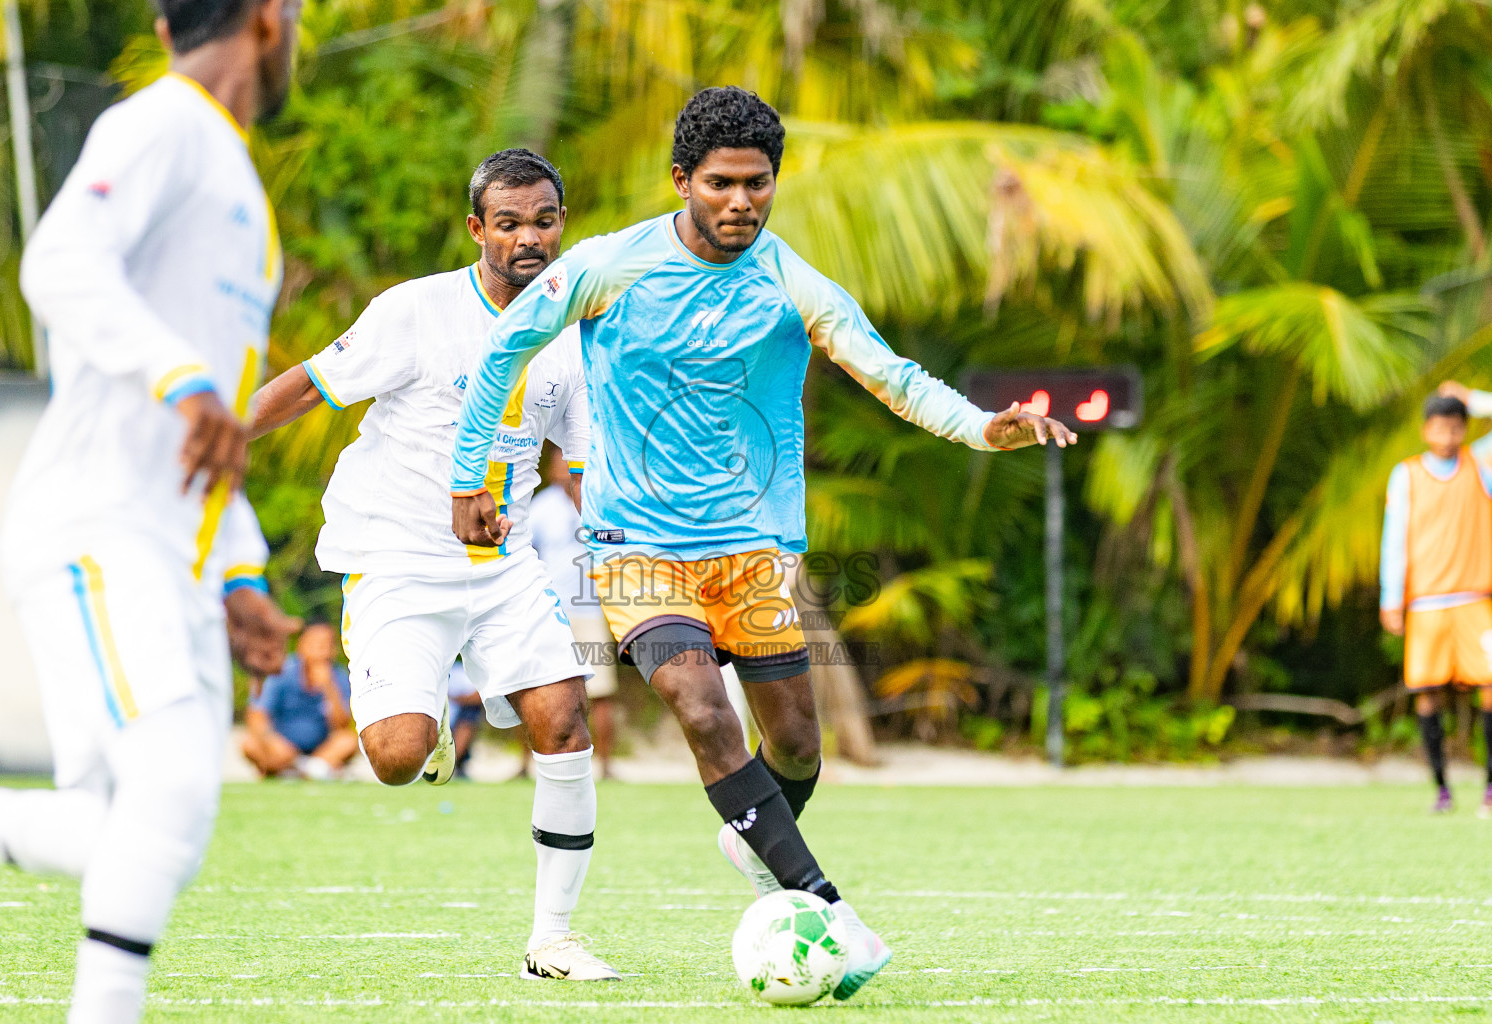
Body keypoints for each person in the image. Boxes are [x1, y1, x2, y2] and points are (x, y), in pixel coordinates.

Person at [449, 87, 1076, 999]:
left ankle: (753, 833)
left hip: (753, 554)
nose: (742, 201)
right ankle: (828, 908)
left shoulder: (793, 281)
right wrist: (471, 478)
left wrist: (985, 428)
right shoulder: (606, 267)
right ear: (681, 182)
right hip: (634, 548)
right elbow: (507, 348)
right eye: (721, 184)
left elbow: (892, 376)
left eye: (758, 183)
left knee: (797, 750)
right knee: (704, 712)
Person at [0, 0, 301, 1019]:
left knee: (143, 829)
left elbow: (219, 431)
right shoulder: (164, 122)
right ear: (270, 19)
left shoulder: (238, 181)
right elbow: (58, 264)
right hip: (99, 527)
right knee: (172, 787)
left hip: (177, 555)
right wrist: (183, 377)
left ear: (160, 26)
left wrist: (238, 569)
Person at [248, 148, 616, 981]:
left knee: (564, 721)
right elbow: (311, 385)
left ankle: (552, 939)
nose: (530, 237)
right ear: (477, 228)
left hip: (506, 560)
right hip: (396, 557)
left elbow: (591, 464)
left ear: (563, 223)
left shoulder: (576, 333)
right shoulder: (415, 311)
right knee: (396, 757)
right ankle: (425, 725)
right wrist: (217, 447)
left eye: (545, 220)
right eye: (511, 222)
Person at [1383, 386, 1492, 815]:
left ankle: (1490, 785)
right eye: (1440, 426)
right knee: (1427, 694)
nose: (1448, 435)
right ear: (1425, 429)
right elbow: (1394, 539)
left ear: (1465, 429)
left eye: (1456, 426)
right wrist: (1392, 597)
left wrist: (1475, 398)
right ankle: (1442, 788)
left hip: (1473, 599)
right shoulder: (1406, 474)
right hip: (1426, 603)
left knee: (1490, 686)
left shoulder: (1481, 467)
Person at [529, 454, 619, 779]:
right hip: (551, 610)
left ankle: (606, 766)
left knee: (602, 691)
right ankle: (527, 764)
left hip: (592, 609)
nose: (565, 470)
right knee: (533, 684)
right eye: (560, 463)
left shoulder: (600, 503)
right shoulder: (541, 506)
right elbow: (527, 551)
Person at [242, 622, 356, 779]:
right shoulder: (281, 672)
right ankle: (307, 770)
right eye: (314, 644)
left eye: (325, 645)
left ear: (334, 650)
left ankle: (299, 770)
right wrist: (273, 741)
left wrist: (329, 689)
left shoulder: (340, 677)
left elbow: (342, 726)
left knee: (348, 741)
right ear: (301, 645)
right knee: (250, 744)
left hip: (321, 751)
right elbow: (257, 716)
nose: (320, 650)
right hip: (282, 746)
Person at [446, 657, 484, 779]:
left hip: (454, 721)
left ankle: (450, 766)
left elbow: (478, 696)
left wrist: (453, 698)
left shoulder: (462, 670)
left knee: (470, 715)